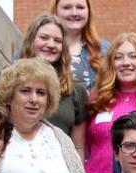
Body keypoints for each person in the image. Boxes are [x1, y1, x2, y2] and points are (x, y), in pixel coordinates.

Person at [86, 32, 136, 173]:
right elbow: (85, 144)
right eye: (118, 57)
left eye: (133, 56)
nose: (126, 62)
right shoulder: (98, 98)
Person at [19, 13, 89, 155]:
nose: (51, 45)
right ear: (31, 40)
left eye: (57, 41)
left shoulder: (76, 90)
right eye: (44, 38)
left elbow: (78, 148)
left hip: (58, 171)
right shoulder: (9, 79)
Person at [47, 0, 108, 91]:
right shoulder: (40, 48)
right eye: (67, 7)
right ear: (56, 10)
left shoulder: (104, 49)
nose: (74, 13)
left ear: (88, 12)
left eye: (80, 7)